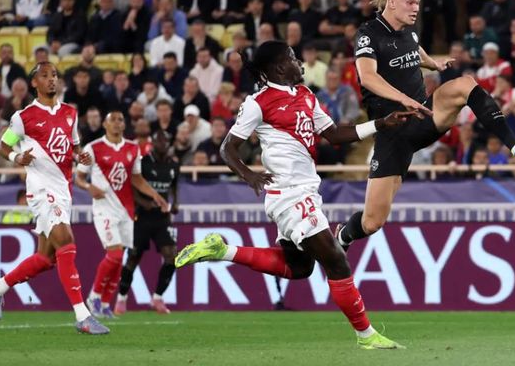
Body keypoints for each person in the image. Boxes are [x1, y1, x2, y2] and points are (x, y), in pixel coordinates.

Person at [175, 40, 410, 349]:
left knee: (299, 267)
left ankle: (222, 250)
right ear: (278, 66)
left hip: (305, 190)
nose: (298, 62)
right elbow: (227, 147)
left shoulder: (305, 95)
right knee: (336, 261)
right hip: (289, 194)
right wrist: (249, 175)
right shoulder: (259, 102)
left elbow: (333, 135)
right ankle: (366, 336)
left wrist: (379, 124)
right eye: (292, 57)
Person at [335, 0, 515, 250]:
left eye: (418, 3)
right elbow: (368, 77)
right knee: (373, 222)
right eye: (410, 2)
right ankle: (343, 235)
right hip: (393, 132)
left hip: (423, 115)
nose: (415, 8)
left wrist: (433, 63)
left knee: (465, 85)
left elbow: (413, 50)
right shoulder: (368, 33)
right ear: (392, 2)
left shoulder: (409, 31)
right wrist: (403, 98)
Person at [0, 62, 109, 334]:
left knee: (46, 257)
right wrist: (18, 156)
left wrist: (80, 157)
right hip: (41, 189)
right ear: (34, 83)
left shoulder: (70, 113)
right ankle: (83, 316)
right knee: (66, 241)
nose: (52, 79)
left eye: (54, 75)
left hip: (64, 189)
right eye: (45, 75)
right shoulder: (23, 117)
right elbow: (3, 148)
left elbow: (73, 147)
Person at [75, 110, 168, 318]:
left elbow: (137, 179)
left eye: (120, 120)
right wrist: (89, 186)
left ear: (124, 125)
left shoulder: (133, 148)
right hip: (104, 209)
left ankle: (105, 304)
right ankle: (94, 296)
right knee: (115, 254)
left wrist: (156, 196)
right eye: (113, 120)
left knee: (119, 258)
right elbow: (79, 177)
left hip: (126, 211)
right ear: (105, 125)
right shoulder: (93, 148)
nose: (117, 123)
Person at [115, 130, 179, 315]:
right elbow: (132, 185)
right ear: (153, 143)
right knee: (133, 257)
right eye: (160, 141)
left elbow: (174, 186)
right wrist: (144, 203)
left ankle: (157, 298)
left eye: (166, 141)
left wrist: (175, 203)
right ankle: (121, 298)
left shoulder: (174, 164)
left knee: (172, 257)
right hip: (142, 217)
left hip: (162, 219)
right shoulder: (143, 162)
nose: (163, 144)